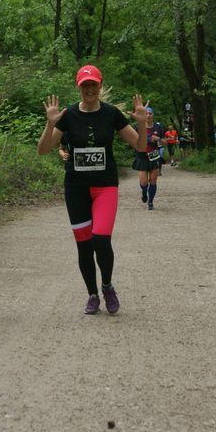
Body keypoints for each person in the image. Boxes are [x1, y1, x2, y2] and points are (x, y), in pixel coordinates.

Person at [38, 65, 147, 315]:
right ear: (79, 87)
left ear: (100, 85)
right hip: (76, 188)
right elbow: (43, 150)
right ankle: (92, 294)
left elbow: (140, 146)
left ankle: (107, 286)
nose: (89, 89)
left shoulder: (111, 113)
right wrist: (50, 124)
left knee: (100, 238)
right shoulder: (67, 115)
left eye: (93, 84)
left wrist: (142, 124)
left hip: (104, 185)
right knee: (84, 245)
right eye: (85, 84)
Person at [132, 107, 165, 209]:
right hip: (142, 155)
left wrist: (159, 139)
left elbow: (164, 142)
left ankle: (150, 202)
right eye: (146, 113)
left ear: (153, 115)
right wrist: (149, 139)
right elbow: (133, 140)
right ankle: (144, 192)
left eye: (150, 113)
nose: (148, 115)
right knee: (144, 182)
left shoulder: (158, 127)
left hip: (154, 155)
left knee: (153, 180)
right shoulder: (138, 127)